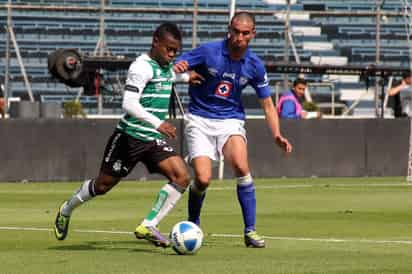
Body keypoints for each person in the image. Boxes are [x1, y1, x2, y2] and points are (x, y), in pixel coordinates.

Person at [54, 23, 200, 248]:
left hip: (152, 139)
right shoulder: (141, 67)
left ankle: (149, 225)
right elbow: (128, 103)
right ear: (156, 42)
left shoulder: (165, 66)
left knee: (182, 177)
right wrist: (158, 123)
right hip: (129, 138)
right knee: (102, 186)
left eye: (175, 51)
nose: (172, 54)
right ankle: (67, 208)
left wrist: (187, 77)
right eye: (168, 49)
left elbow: (169, 77)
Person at [173, 12, 292, 248]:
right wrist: (184, 71)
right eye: (235, 31)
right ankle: (193, 222)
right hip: (199, 118)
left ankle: (250, 231)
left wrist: (276, 133)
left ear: (252, 34)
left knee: (240, 164)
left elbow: (267, 105)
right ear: (229, 29)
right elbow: (175, 66)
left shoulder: (255, 65)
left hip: (230, 120)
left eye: (245, 33)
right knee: (204, 179)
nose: (239, 37)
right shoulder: (209, 51)